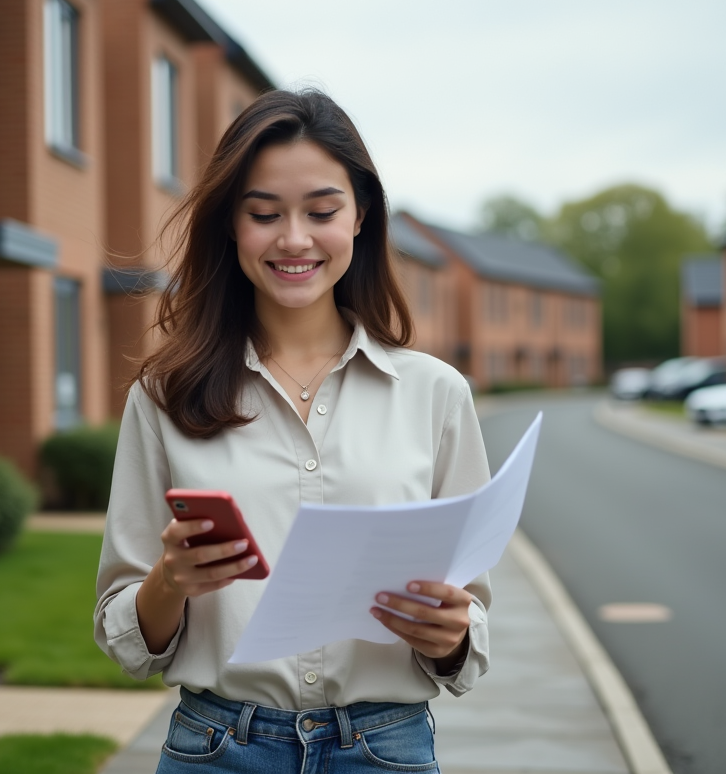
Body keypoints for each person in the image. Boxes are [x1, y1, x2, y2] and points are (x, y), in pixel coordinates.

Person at [95, 88, 491, 773]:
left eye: (322, 211)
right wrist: (172, 580)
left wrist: (451, 632)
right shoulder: (164, 397)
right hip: (218, 749)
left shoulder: (436, 394)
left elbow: (471, 631)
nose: (295, 239)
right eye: (264, 214)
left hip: (385, 750)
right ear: (231, 225)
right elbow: (126, 635)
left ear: (361, 216)